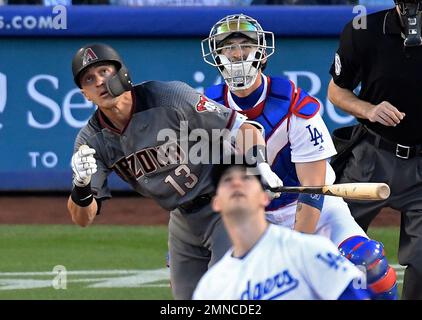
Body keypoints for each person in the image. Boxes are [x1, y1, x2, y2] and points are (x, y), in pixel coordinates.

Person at [201, 13, 398, 299]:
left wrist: (295, 251)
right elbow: (207, 180)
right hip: (255, 215)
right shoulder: (207, 108)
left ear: (261, 51)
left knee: (368, 264)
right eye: (227, 47)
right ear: (217, 56)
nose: (237, 54)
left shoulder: (293, 104)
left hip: (312, 207)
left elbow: (313, 189)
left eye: (245, 45)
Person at [67, 43, 283, 300]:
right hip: (182, 221)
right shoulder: (91, 141)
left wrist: (260, 165)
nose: (100, 82)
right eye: (90, 79)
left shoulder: (168, 97)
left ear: (122, 73)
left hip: (224, 208)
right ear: (84, 94)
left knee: (225, 295)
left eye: (104, 71)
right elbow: (83, 218)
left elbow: (245, 129)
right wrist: (80, 186)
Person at [327, 0, 422, 300]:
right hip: (371, 156)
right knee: (332, 239)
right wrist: (368, 110)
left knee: (421, 262)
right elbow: (336, 90)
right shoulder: (364, 29)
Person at [193, 158, 370, 300]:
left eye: (246, 178)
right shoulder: (212, 286)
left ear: (264, 198)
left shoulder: (307, 250)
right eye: (227, 180)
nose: (236, 183)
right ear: (216, 203)